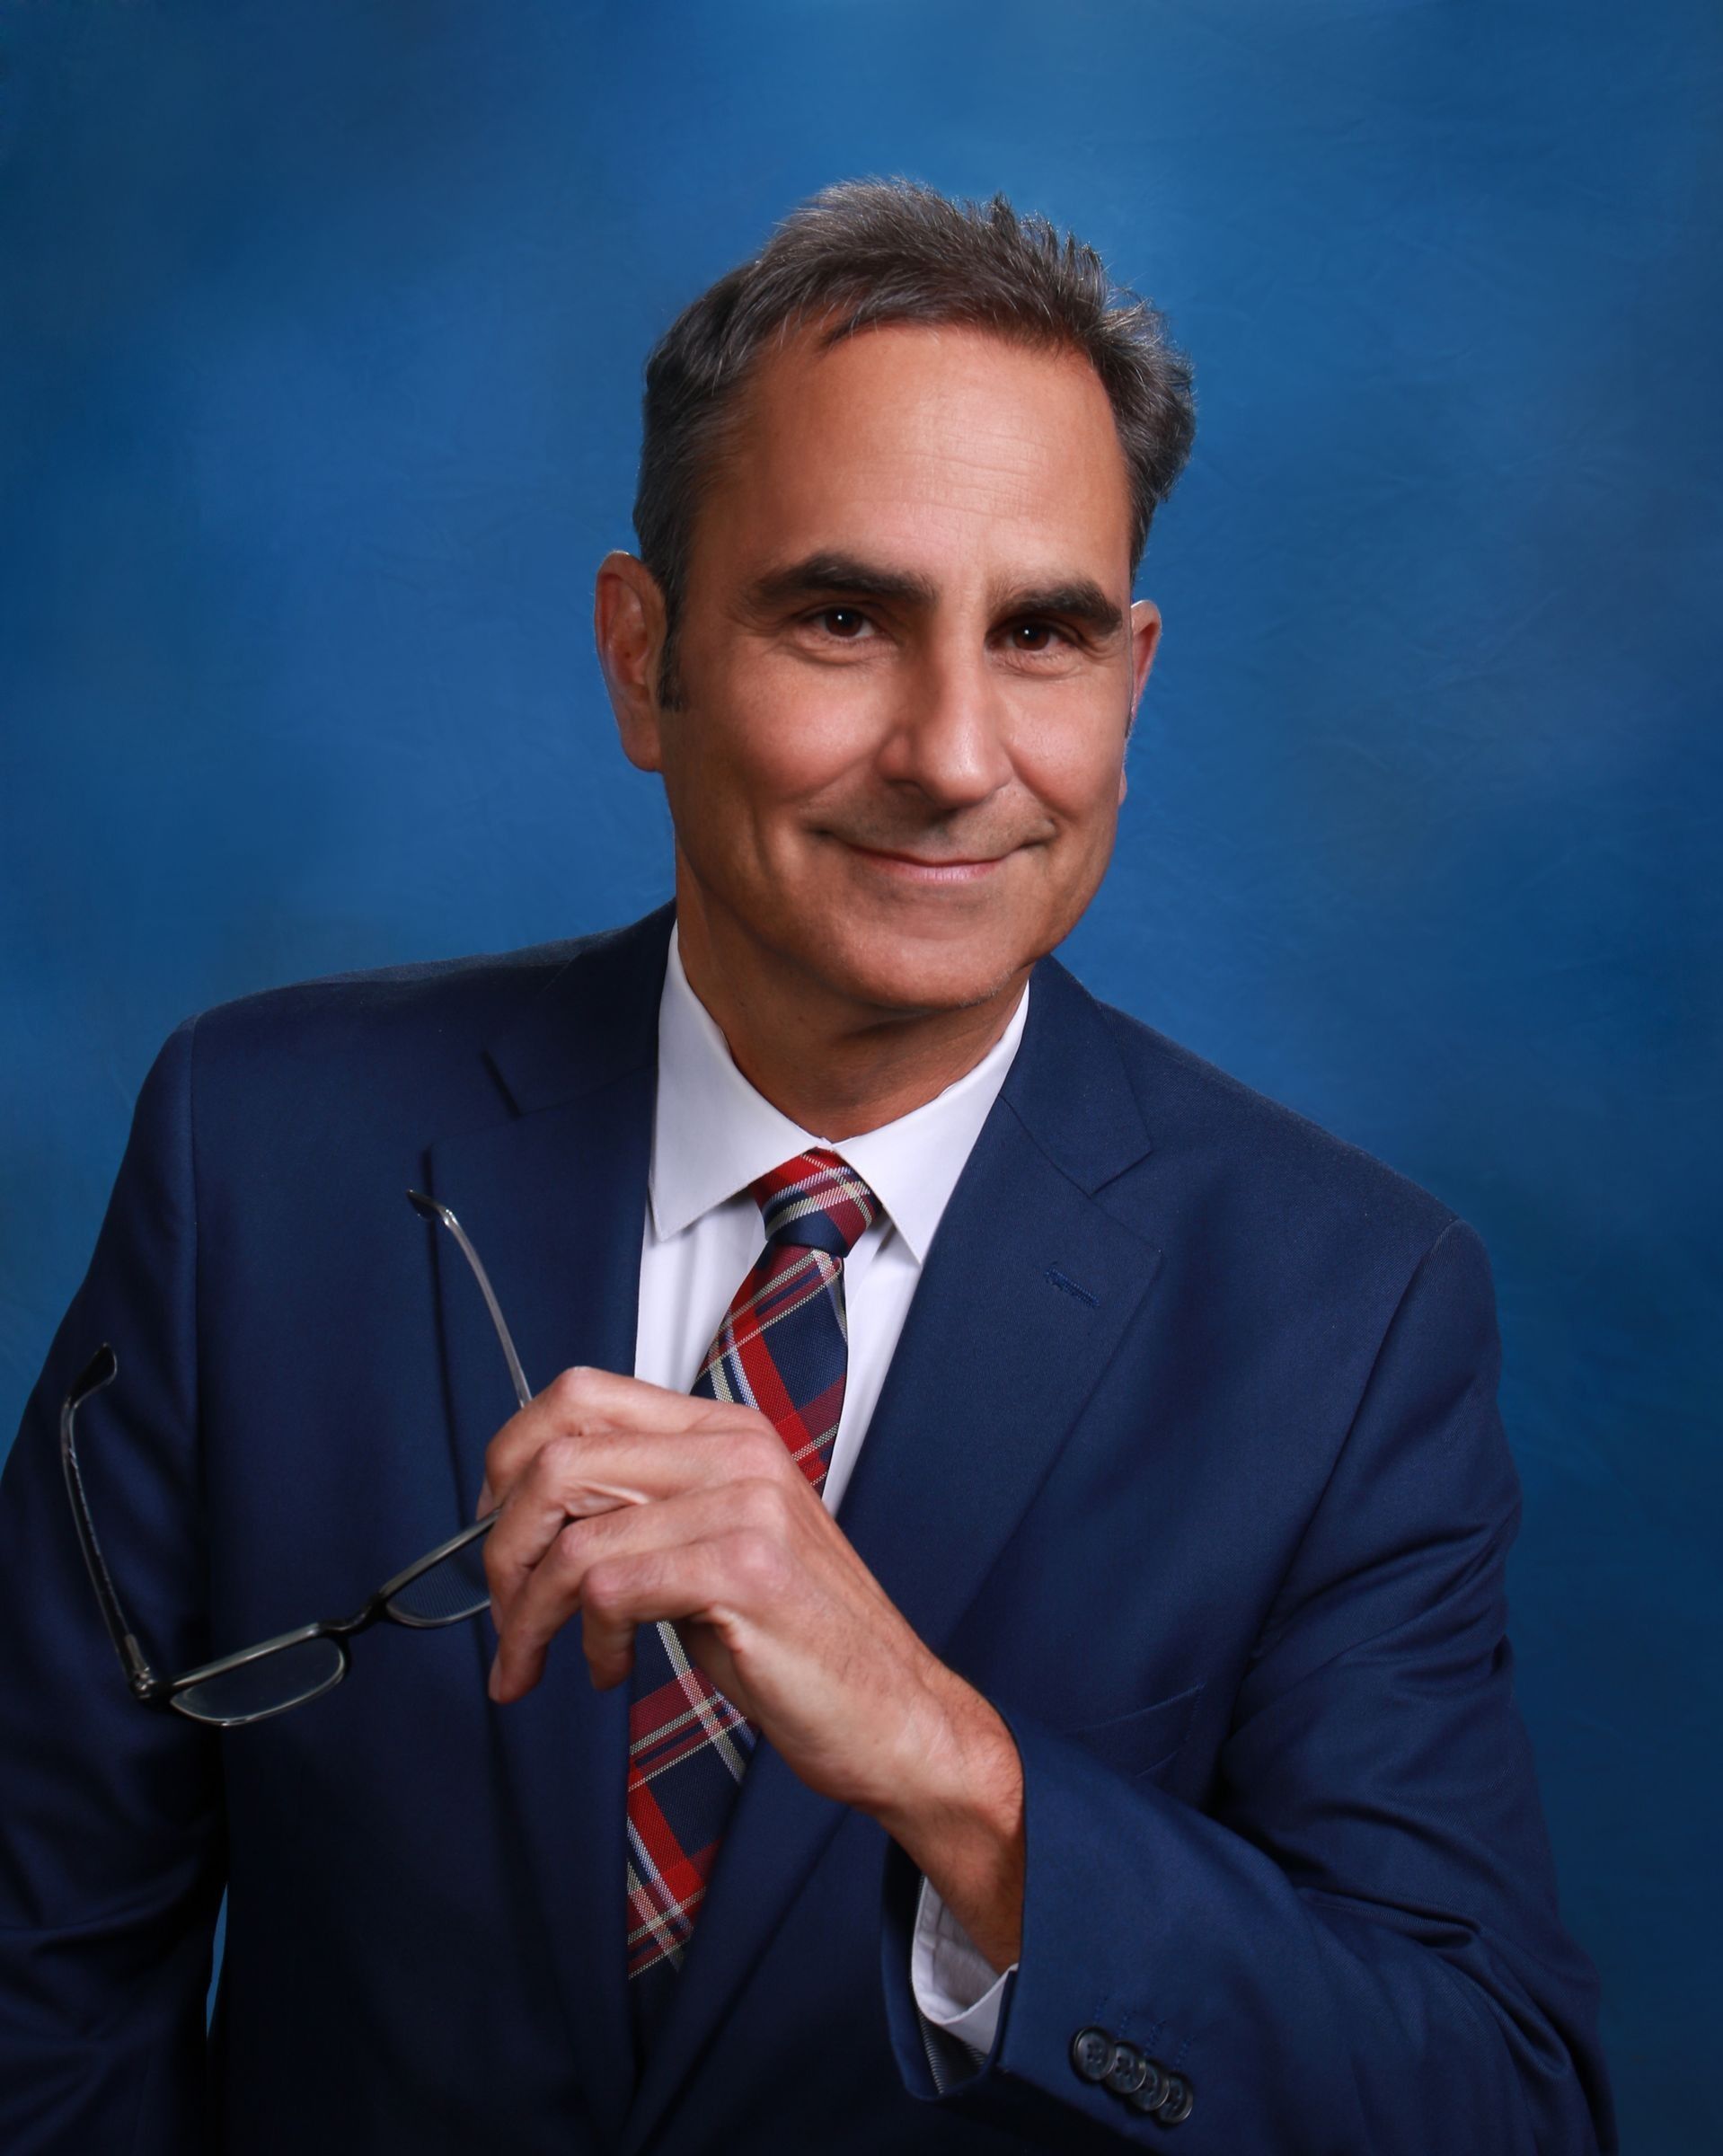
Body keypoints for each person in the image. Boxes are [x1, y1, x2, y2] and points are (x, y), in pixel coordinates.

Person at [0, 179, 1615, 2155]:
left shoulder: (1349, 1317)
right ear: (640, 655)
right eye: (842, 618)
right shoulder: (257, 1155)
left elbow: (1495, 2104)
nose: (953, 752)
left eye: (1043, 634)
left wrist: (964, 1778)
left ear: (1134, 682)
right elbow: (40, 1975)